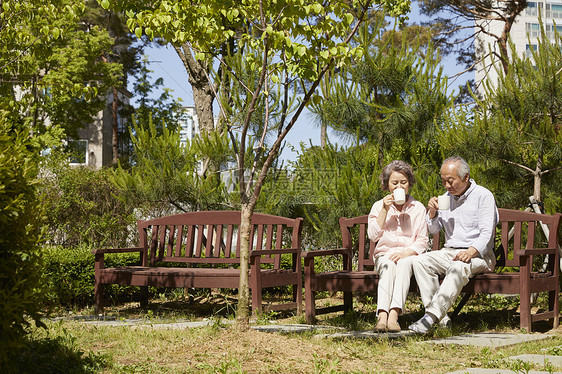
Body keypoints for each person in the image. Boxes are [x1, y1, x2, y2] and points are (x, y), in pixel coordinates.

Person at [408, 156, 498, 334]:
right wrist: (432, 213)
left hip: (480, 255)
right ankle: (441, 319)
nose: (447, 186)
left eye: (451, 181)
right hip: (450, 252)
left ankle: (430, 318)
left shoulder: (483, 196)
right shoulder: (445, 198)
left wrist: (471, 251)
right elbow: (434, 230)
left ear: (465, 177)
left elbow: (487, 234)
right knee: (420, 261)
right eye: (443, 181)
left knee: (458, 266)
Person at [368, 160, 429, 332]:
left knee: (402, 264)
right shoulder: (379, 206)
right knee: (387, 265)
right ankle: (382, 316)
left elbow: (423, 240)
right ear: (387, 185)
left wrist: (405, 253)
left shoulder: (418, 208)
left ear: (409, 184)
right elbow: (372, 235)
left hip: (408, 256)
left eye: (403, 182)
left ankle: (394, 315)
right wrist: (384, 211)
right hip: (384, 255)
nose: (399, 186)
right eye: (394, 183)